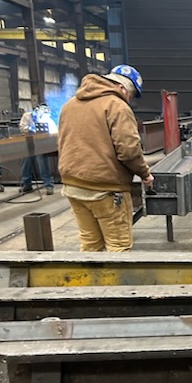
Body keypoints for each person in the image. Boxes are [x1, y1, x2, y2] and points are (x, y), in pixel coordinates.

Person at [58, 64, 154, 252]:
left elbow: (63, 142)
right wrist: (144, 174)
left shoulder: (70, 105)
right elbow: (128, 150)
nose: (129, 99)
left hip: (73, 187)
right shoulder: (117, 106)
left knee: (90, 245)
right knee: (119, 247)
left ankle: (90, 273)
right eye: (131, 95)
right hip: (106, 190)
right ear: (123, 88)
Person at [19, 104, 58, 195]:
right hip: (28, 143)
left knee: (43, 164)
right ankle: (27, 185)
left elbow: (54, 130)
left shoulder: (47, 118)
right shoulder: (27, 116)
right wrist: (32, 128)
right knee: (26, 164)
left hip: (40, 144)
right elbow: (22, 128)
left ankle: (49, 185)